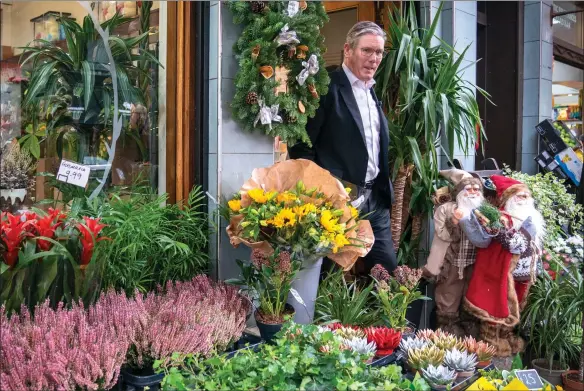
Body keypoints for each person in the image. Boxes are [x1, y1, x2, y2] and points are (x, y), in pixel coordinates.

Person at [288, 21, 396, 274]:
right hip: (336, 201)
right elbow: (301, 144)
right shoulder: (325, 87)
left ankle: (378, 316)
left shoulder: (371, 92)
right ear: (348, 50)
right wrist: (324, 190)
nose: (374, 58)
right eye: (367, 50)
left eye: (379, 52)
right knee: (327, 276)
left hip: (374, 201)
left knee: (385, 272)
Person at [463, 175, 545, 357]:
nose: (523, 199)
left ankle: (508, 337)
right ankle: (491, 345)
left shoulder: (533, 218)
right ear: (507, 199)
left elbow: (535, 248)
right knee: (496, 309)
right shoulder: (502, 219)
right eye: (518, 196)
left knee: (516, 310)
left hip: (524, 275)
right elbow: (514, 244)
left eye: (525, 196)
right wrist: (517, 231)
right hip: (501, 274)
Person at [423, 169, 485, 338]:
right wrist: (455, 222)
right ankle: (447, 334)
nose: (472, 192)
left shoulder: (484, 210)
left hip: (475, 264)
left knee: (471, 299)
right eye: (469, 189)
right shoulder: (446, 209)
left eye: (476, 189)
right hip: (451, 263)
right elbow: (442, 234)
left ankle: (470, 336)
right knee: (448, 297)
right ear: (460, 192)